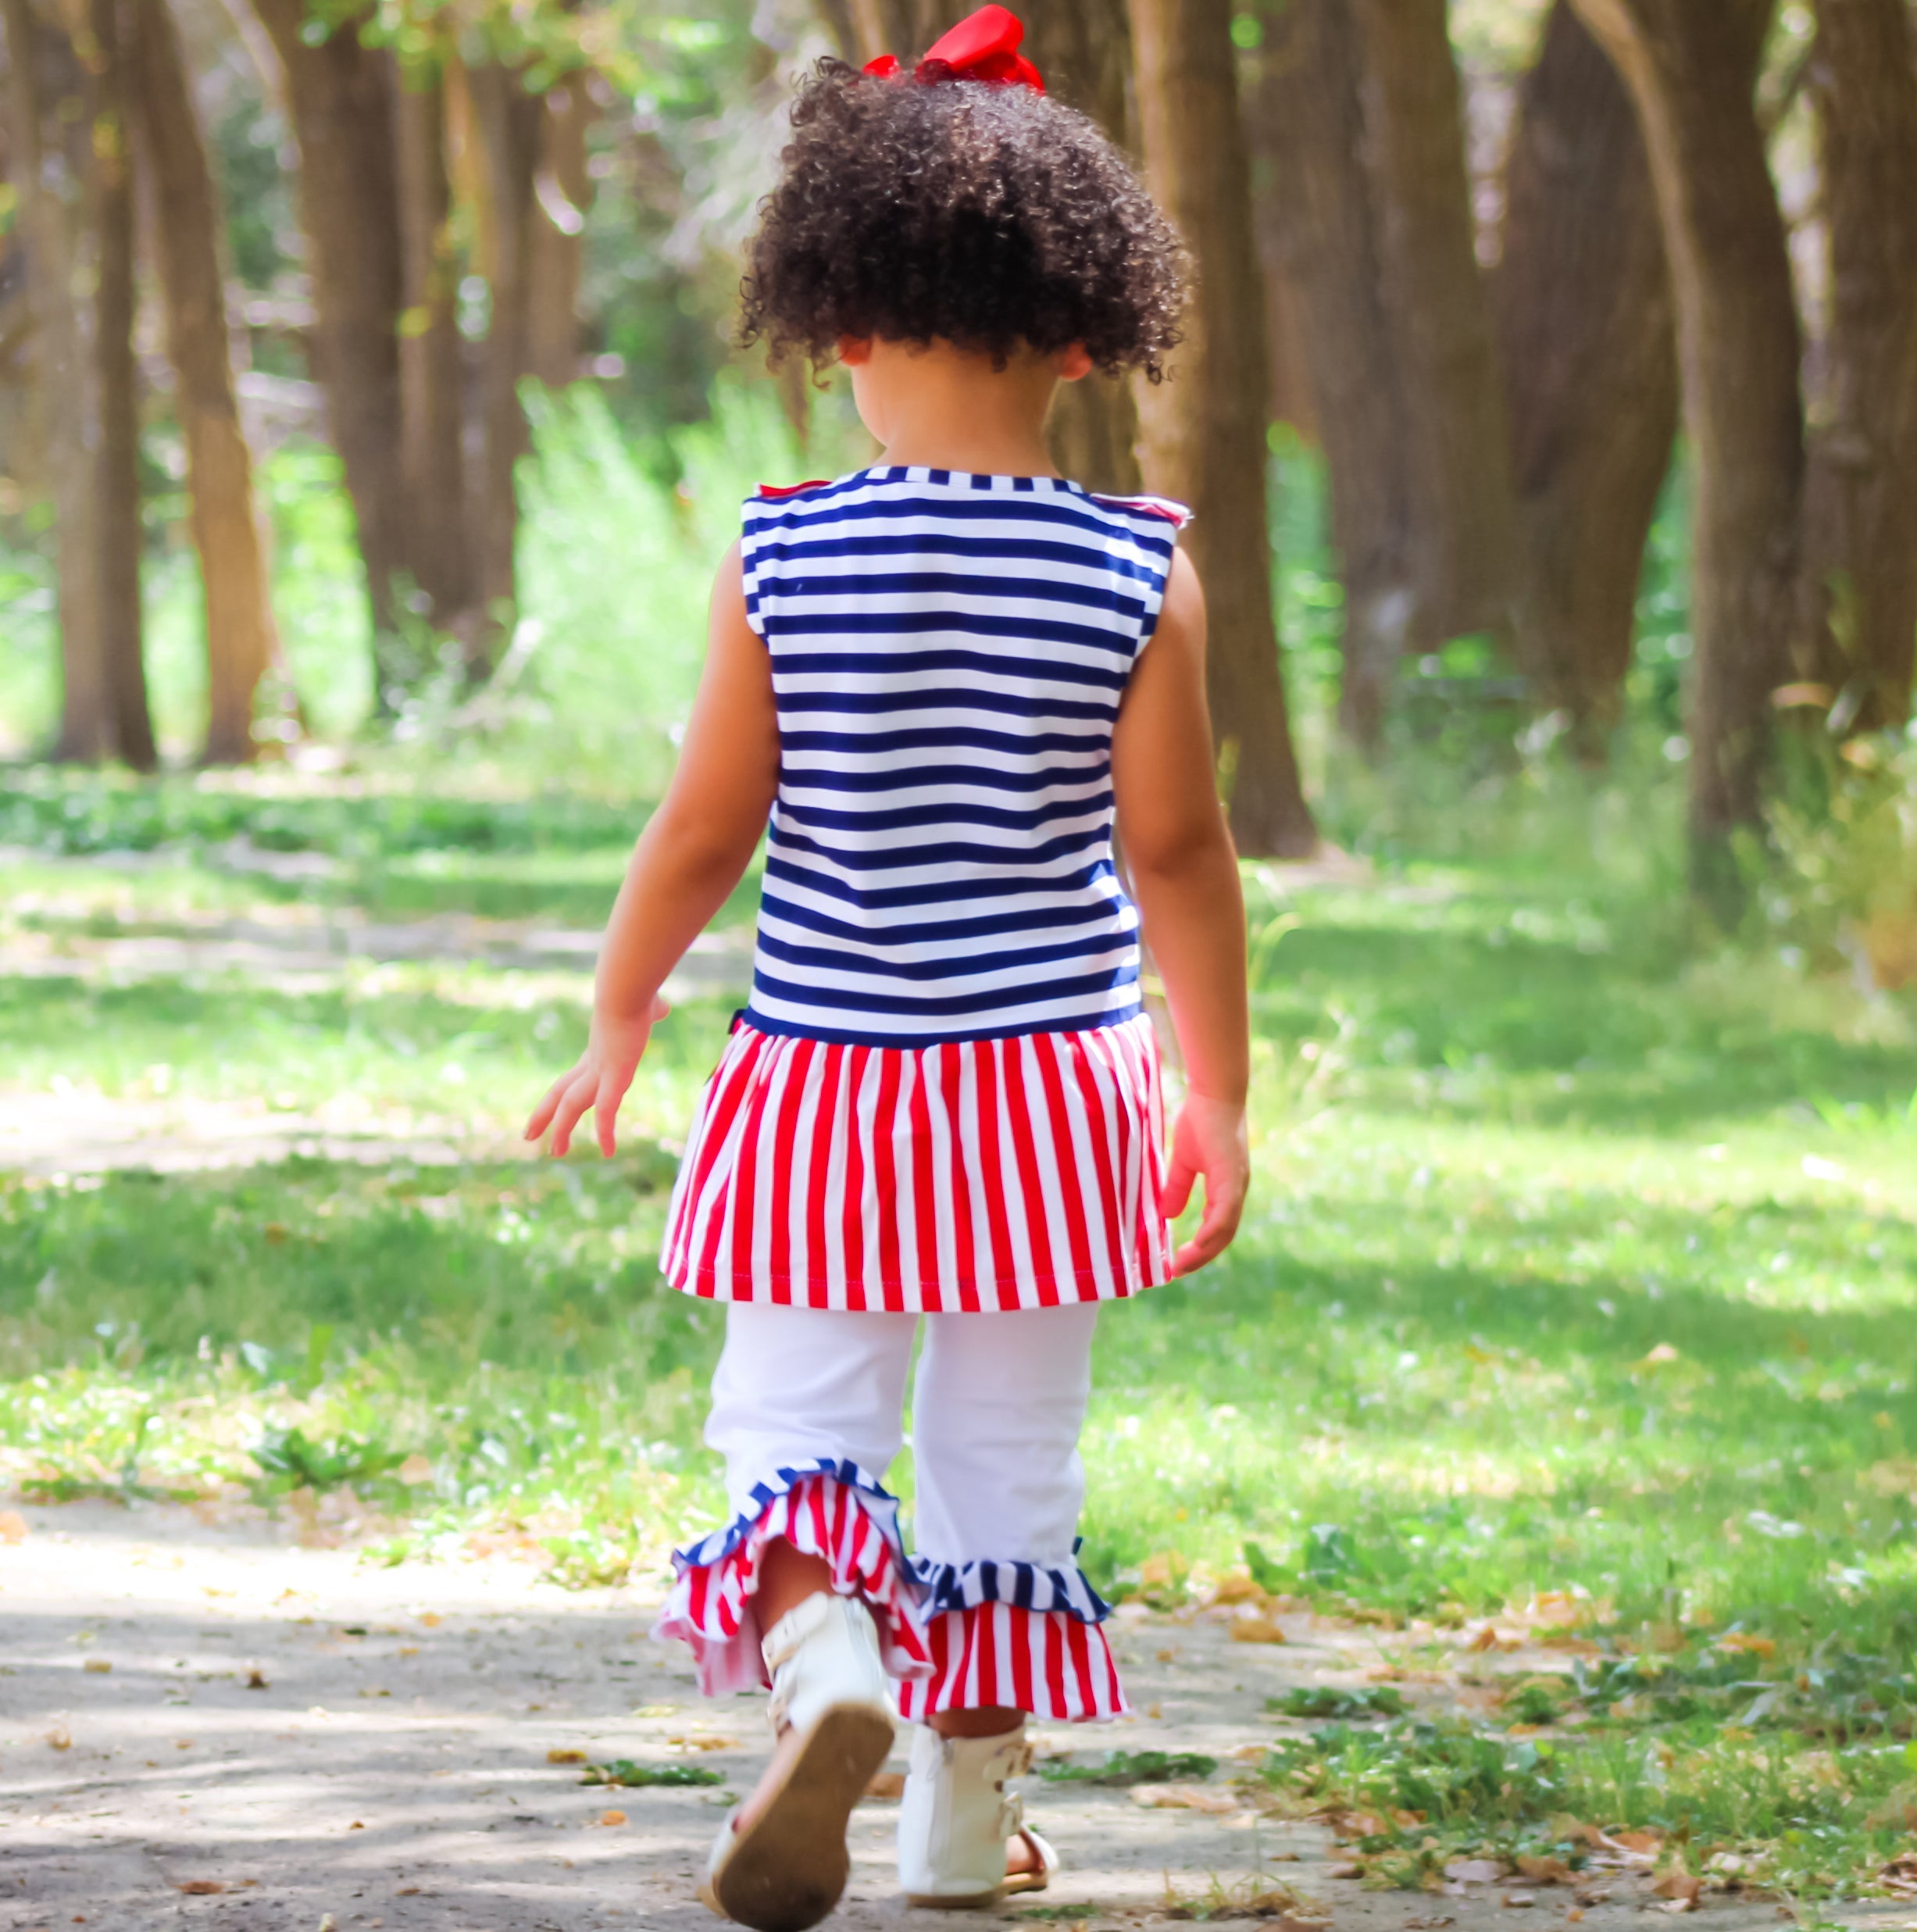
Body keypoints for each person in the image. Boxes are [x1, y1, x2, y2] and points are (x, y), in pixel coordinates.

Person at [525, 9, 1251, 1927]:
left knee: (793, 1434)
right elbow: (1177, 851)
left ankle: (826, 1658)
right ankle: (956, 1824)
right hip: (1048, 1095)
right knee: (1007, 1459)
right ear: (1092, 331)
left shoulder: (783, 558)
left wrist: (619, 1011)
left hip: (829, 1082)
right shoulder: (1136, 567)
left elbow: (705, 828)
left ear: (836, 324)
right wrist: (1221, 1091)